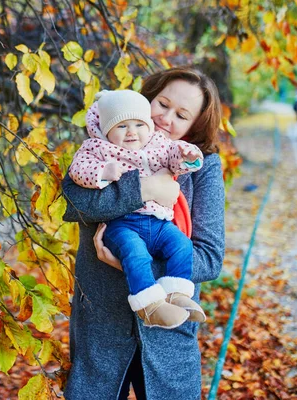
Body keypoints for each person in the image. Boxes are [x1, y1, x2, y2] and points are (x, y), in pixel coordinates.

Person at [62, 66, 225, 400]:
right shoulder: (102, 146)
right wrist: (146, 188)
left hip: (169, 331)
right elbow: (76, 205)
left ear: (194, 126)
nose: (166, 118)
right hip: (101, 325)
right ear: (146, 98)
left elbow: (209, 258)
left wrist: (136, 268)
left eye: (181, 115)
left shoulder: (201, 165)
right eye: (162, 104)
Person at [68, 89, 206, 329]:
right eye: (122, 127)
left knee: (182, 245)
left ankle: (176, 293)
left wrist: (187, 155)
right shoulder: (98, 148)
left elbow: (174, 156)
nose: (131, 132)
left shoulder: (159, 143)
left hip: (159, 222)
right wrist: (103, 173)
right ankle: (149, 306)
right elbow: (78, 171)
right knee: (135, 251)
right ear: (107, 130)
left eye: (138, 125)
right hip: (123, 224)